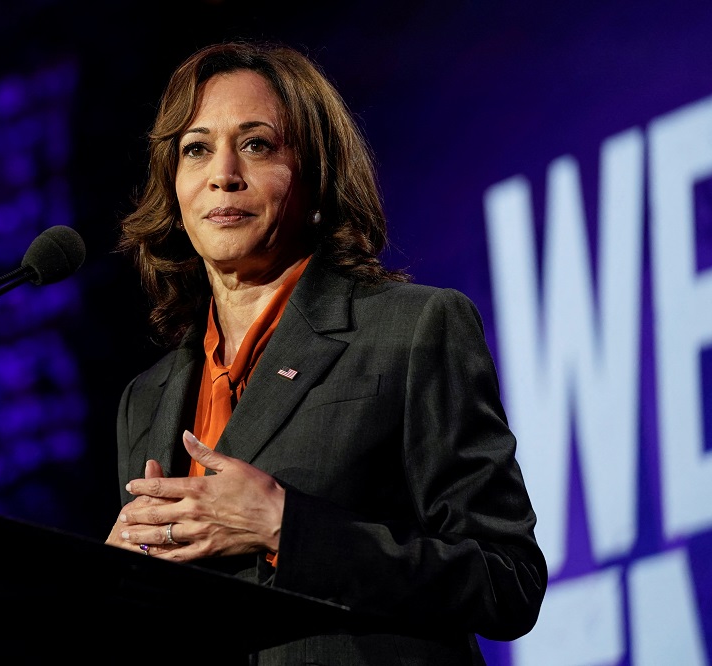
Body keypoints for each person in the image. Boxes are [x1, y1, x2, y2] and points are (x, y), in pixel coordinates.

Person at [104, 40, 547, 665]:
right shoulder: (145, 400)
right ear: (173, 188)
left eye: (256, 144)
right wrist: (118, 584)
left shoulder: (411, 329)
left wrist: (284, 526)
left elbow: (507, 581)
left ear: (316, 178)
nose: (223, 173)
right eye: (196, 149)